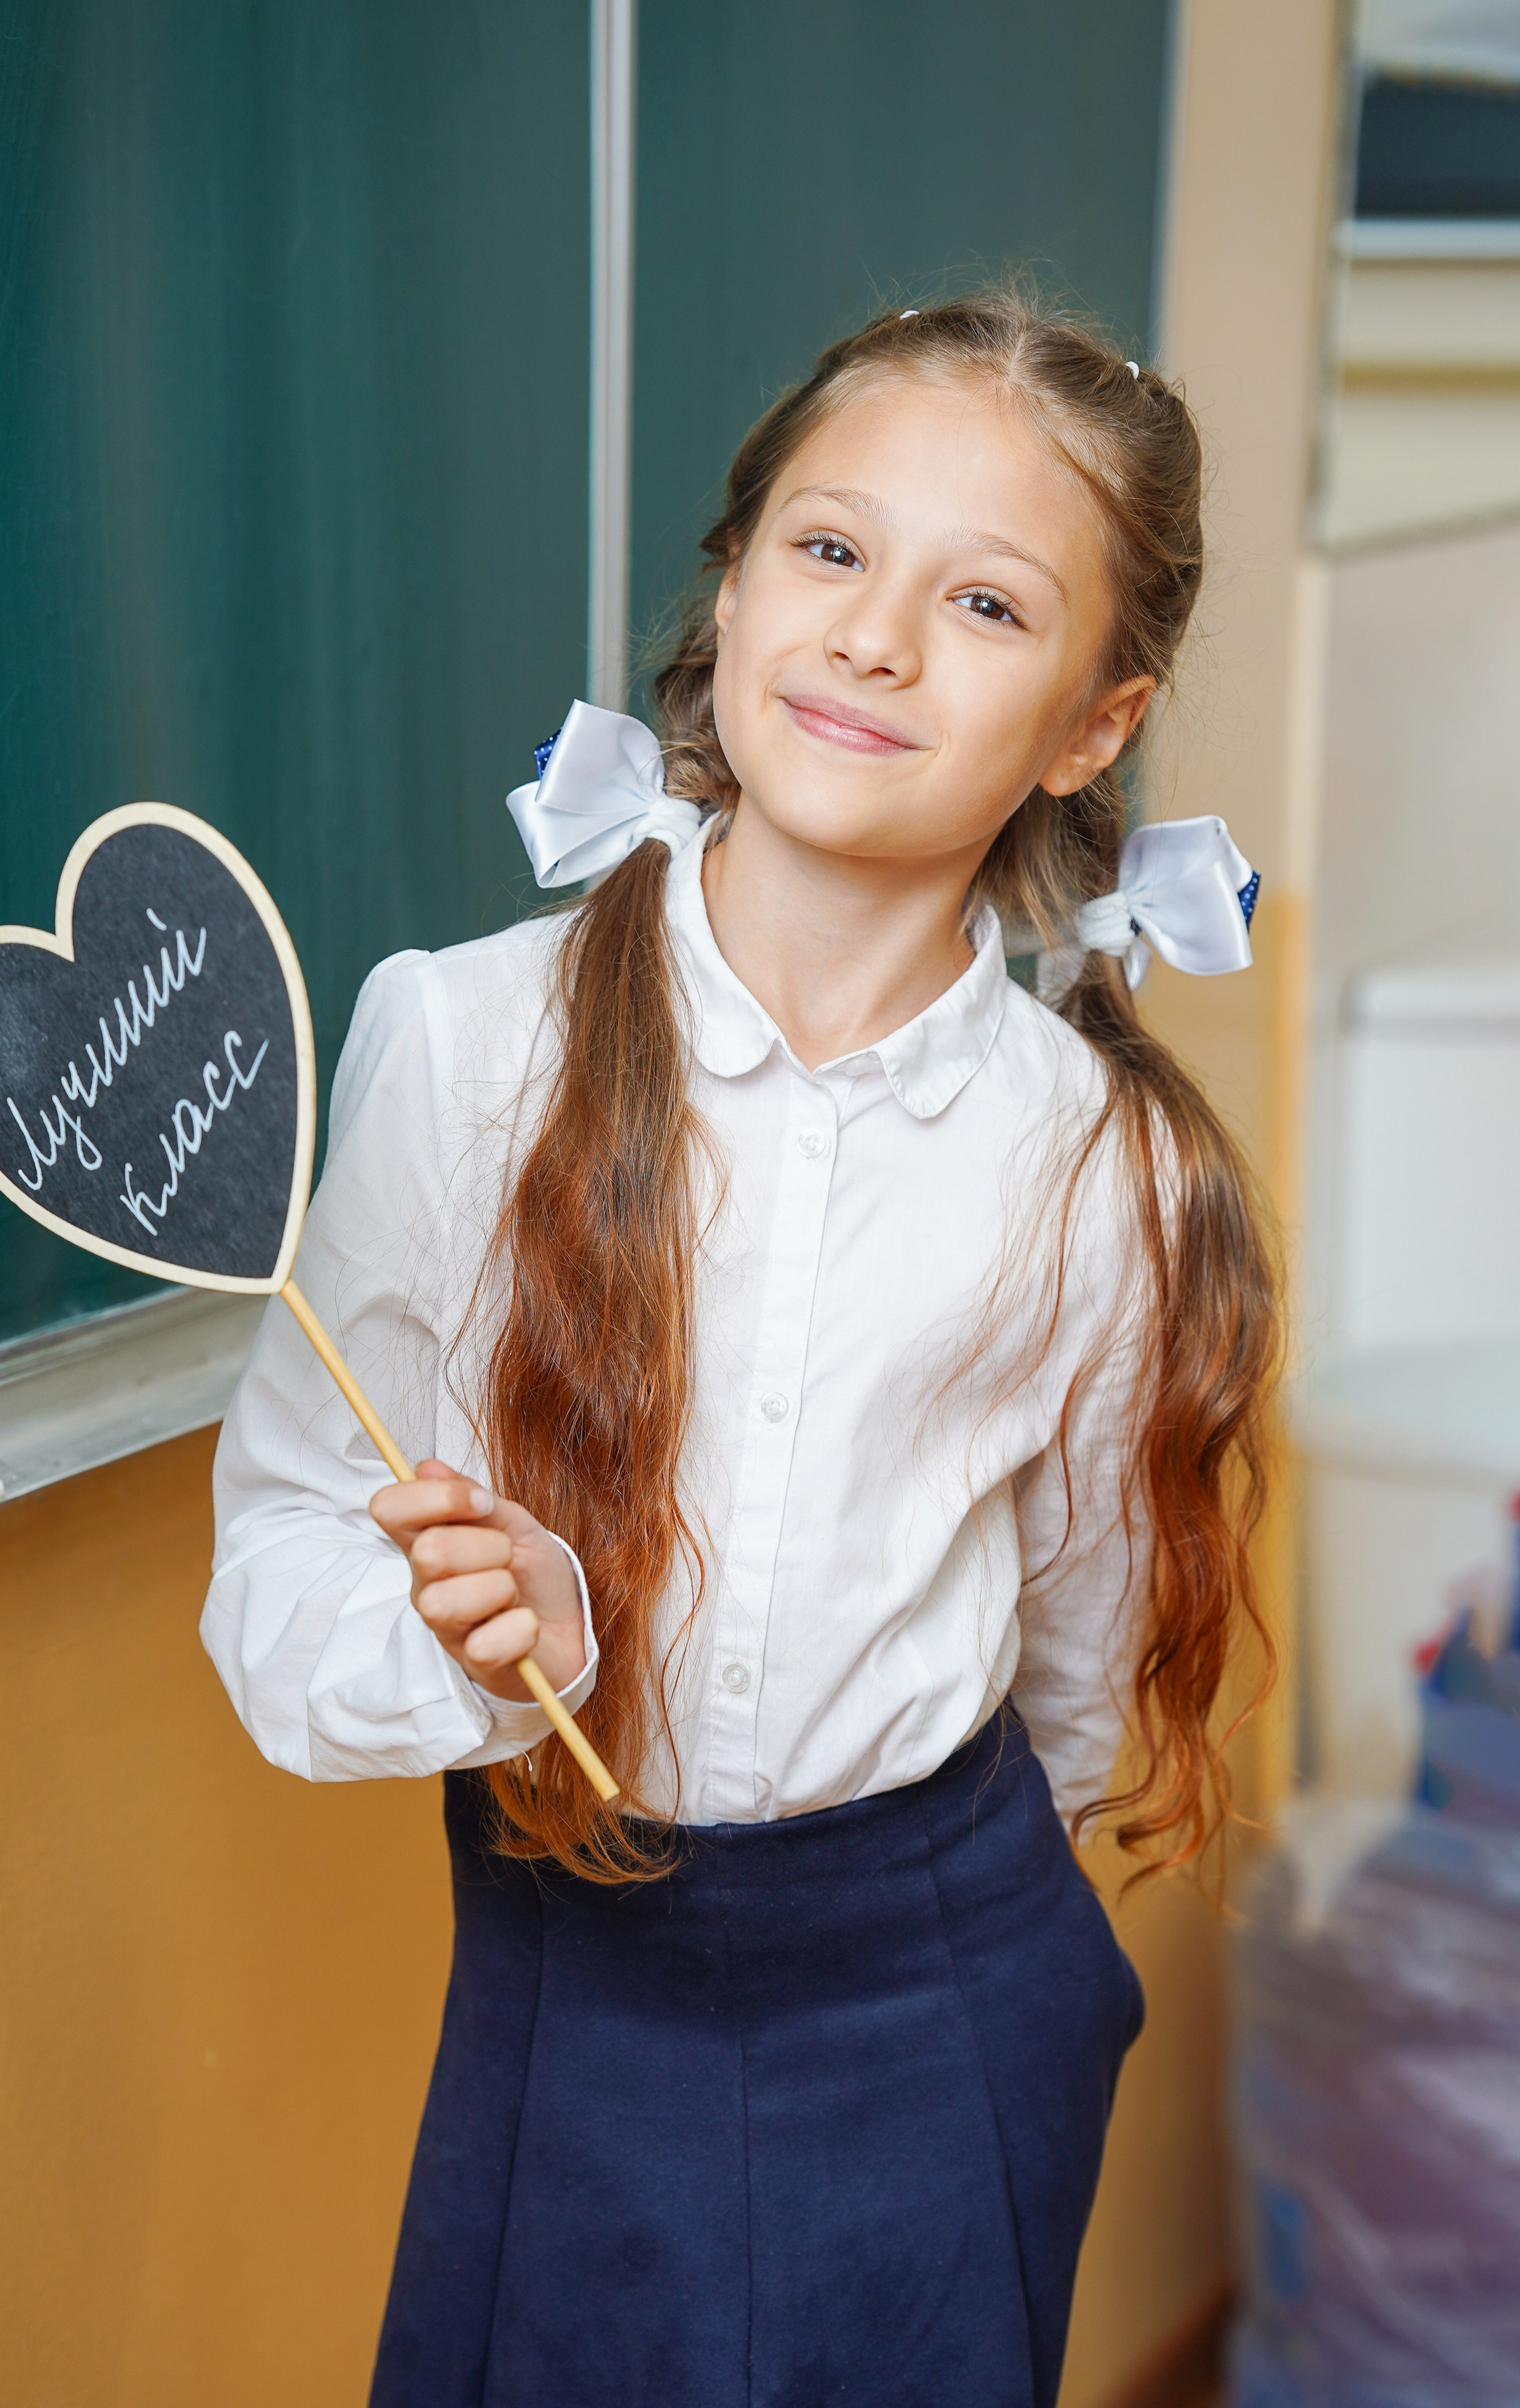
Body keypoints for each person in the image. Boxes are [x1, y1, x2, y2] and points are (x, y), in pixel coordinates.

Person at [201, 290, 1280, 2408]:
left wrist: (1010, 1970)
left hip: (948, 1995)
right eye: (829, 548)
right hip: (573, 1990)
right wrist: (463, 1640)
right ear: (732, 584)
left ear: (1092, 723)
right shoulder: (466, 1040)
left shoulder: (1096, 1166)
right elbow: (279, 1555)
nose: (876, 636)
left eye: (985, 600)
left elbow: (1074, 1656)